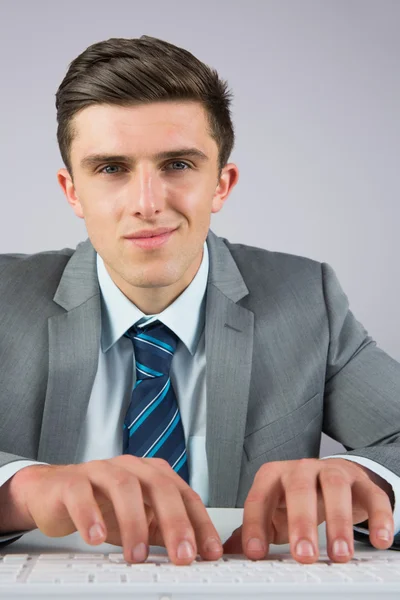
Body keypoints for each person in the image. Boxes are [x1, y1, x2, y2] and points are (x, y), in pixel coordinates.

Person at [0, 35, 399, 569]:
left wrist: (369, 478)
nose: (147, 204)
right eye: (111, 169)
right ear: (72, 191)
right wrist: (20, 492)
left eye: (178, 165)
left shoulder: (308, 299)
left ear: (222, 183)